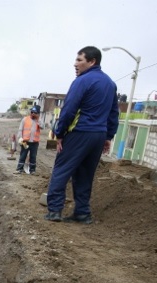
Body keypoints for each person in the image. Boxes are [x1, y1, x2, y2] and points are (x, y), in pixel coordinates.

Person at [44, 46, 119, 223]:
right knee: (85, 175)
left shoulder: (82, 81)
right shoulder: (110, 84)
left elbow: (69, 109)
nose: (75, 64)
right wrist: (108, 136)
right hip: (98, 136)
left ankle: (54, 211)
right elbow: (113, 113)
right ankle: (83, 213)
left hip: (79, 133)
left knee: (61, 171)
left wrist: (59, 133)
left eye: (79, 60)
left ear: (92, 62)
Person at [14, 105, 42, 175]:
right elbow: (20, 129)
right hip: (25, 141)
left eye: (34, 112)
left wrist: (38, 119)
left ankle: (32, 170)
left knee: (33, 156)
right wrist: (20, 138)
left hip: (34, 142)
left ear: (38, 113)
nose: (32, 114)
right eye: (32, 112)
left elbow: (42, 127)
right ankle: (19, 169)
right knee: (23, 155)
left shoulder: (39, 120)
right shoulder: (25, 119)